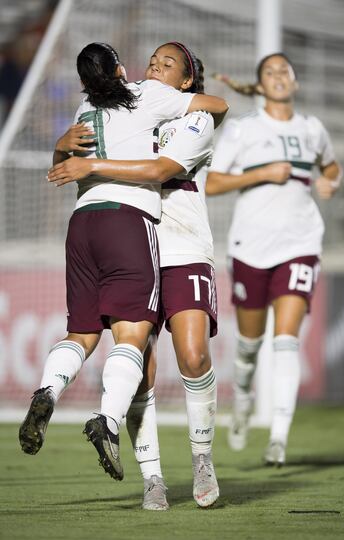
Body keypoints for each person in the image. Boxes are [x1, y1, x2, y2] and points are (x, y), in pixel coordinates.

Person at [19, 40, 228, 508]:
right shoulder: (125, 101)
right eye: (152, 60)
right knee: (142, 371)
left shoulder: (191, 117)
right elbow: (69, 162)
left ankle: (201, 456)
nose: (156, 65)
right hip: (136, 239)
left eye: (168, 63)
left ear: (187, 80)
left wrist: (86, 161)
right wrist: (60, 146)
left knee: (193, 355)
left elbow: (163, 167)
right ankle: (153, 478)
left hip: (182, 246)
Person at [206, 53, 342, 466]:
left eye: (286, 70)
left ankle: (278, 438)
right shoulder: (245, 129)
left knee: (286, 340)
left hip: (300, 243)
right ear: (261, 85)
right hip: (251, 247)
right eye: (271, 71)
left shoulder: (312, 129)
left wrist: (330, 183)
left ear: (295, 82)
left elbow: (332, 168)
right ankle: (244, 398)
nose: (279, 76)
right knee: (250, 345)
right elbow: (210, 182)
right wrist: (260, 174)